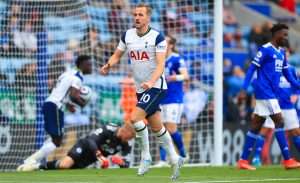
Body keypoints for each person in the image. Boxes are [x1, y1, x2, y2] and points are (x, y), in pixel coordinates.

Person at [100, 3, 183, 180]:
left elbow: (161, 65)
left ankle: (145, 157)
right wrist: (109, 64)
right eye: (135, 15)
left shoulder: (157, 38)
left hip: (156, 87)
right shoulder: (127, 35)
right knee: (156, 127)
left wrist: (151, 81)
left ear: (148, 18)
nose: (137, 18)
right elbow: (117, 55)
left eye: (140, 15)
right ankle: (176, 158)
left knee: (134, 118)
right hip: (141, 88)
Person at [236, 23, 300, 170]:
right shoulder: (265, 49)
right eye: (283, 34)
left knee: (257, 125)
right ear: (276, 33)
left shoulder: (282, 53)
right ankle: (288, 159)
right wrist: (244, 89)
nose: (286, 37)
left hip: (271, 93)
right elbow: (252, 68)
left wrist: (297, 86)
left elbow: (288, 75)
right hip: (265, 92)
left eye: (287, 34)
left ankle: (243, 161)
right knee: (279, 121)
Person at [17, 55, 92, 170]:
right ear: (82, 65)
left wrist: (67, 104)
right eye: (89, 64)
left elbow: (54, 89)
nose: (91, 67)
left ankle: (30, 162)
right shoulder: (78, 78)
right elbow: (73, 95)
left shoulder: (66, 73)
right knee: (57, 141)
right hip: (56, 106)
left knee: (54, 138)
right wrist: (83, 104)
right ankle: (29, 162)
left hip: (50, 103)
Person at [252, 48, 300, 166]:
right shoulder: (271, 69)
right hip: (273, 105)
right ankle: (256, 158)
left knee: (296, 132)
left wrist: (296, 94)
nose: (286, 57)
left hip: (288, 107)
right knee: (266, 130)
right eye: (284, 55)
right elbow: (257, 83)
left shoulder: (291, 69)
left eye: (288, 56)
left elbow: (296, 86)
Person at [18, 123, 135, 171]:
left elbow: (127, 164)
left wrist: (121, 163)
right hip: (85, 146)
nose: (129, 140)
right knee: (65, 165)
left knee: (69, 170)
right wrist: (100, 155)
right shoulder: (109, 129)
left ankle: (43, 168)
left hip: (91, 158)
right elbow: (90, 140)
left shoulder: (126, 144)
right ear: (124, 131)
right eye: (129, 137)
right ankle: (36, 166)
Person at [154, 35, 189, 167]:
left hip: (174, 99)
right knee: (160, 129)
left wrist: (177, 77)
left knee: (170, 129)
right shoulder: (159, 60)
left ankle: (184, 154)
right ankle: (163, 160)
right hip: (162, 98)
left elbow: (186, 75)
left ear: (171, 45)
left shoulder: (176, 59)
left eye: (165, 42)